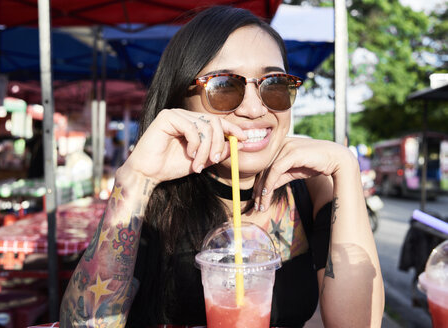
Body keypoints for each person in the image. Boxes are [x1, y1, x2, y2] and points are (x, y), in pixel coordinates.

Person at [60, 6, 384, 327]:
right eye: (225, 86)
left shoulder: (313, 185)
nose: (255, 109)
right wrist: (135, 179)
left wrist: (345, 168)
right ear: (181, 101)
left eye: (273, 83)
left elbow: (356, 323)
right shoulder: (155, 196)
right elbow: (84, 323)